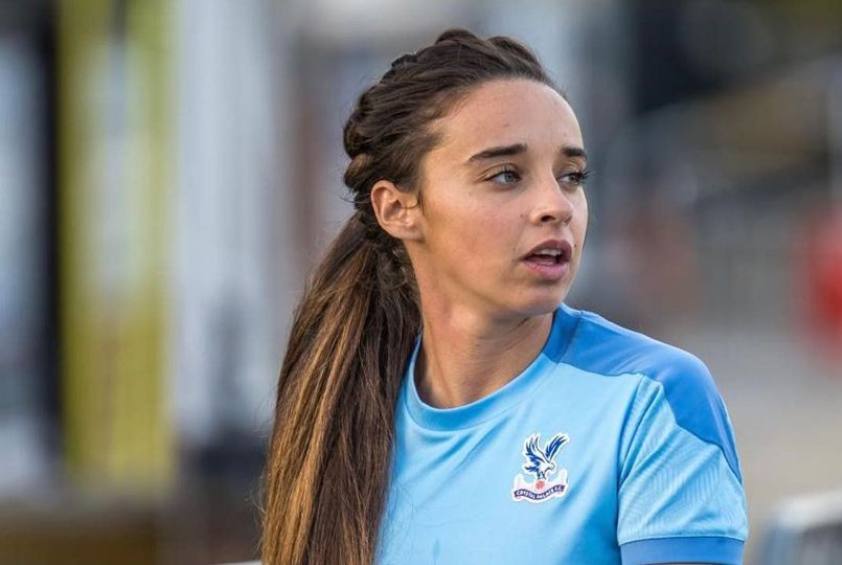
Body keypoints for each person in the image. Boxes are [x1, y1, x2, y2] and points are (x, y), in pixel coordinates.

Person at [261, 29, 748, 565]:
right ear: (398, 210)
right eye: (505, 175)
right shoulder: (341, 414)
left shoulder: (652, 399)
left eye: (571, 176)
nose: (556, 206)